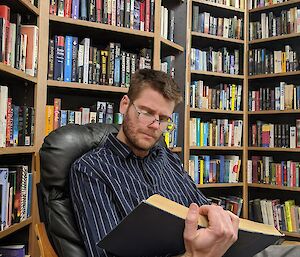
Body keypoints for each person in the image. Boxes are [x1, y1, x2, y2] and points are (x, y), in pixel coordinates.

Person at [70, 69, 239, 257]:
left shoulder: (168, 159)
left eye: (164, 119)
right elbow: (105, 254)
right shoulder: (90, 169)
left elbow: (202, 210)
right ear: (125, 105)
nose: (155, 125)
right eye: (147, 113)